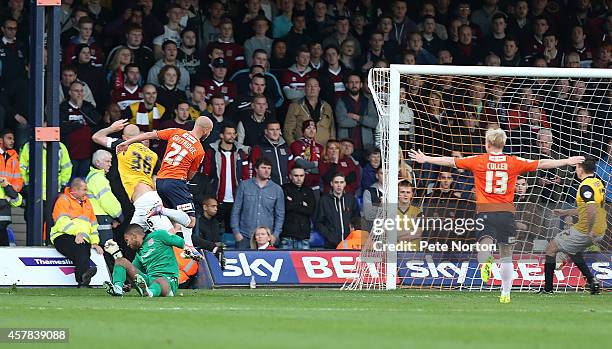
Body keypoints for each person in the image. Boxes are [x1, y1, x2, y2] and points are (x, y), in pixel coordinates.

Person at [409, 128, 584, 303]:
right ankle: (506, 293)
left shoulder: (479, 160)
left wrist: (426, 159)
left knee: (484, 248)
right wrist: (567, 160)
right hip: (506, 214)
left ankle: (486, 264)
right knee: (506, 254)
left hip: (486, 213)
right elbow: (542, 163)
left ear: (487, 144)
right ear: (504, 144)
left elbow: (452, 161)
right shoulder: (513, 162)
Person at [116, 117, 213, 258]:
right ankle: (164, 214)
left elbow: (150, 134)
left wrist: (127, 142)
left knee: (137, 232)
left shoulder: (176, 132)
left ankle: (187, 247)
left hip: (159, 182)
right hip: (175, 183)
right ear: (206, 131)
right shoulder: (199, 151)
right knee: (190, 220)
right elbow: (190, 176)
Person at [542, 158, 606, 295]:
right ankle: (591, 281)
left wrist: (589, 231)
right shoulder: (598, 182)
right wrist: (566, 212)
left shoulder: (585, 186)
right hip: (600, 228)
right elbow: (589, 207)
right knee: (573, 250)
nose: (576, 170)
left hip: (587, 230)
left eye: (577, 167)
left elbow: (592, 210)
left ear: (582, 168)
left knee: (551, 248)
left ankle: (547, 289)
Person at [103, 224, 183, 297]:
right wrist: (127, 285)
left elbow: (182, 242)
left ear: (134, 236)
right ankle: (118, 289)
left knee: (159, 280)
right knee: (121, 261)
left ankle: (150, 292)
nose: (127, 244)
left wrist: (190, 251)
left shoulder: (159, 235)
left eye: (127, 240)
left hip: (168, 281)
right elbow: (134, 273)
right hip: (149, 281)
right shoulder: (139, 254)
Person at [50, 178, 102, 288]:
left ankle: (83, 280)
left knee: (83, 249)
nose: (86, 192)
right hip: (62, 236)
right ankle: (83, 278)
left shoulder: (87, 203)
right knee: (81, 249)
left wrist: (95, 242)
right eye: (84, 189)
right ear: (74, 190)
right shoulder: (63, 200)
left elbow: (93, 225)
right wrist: (77, 233)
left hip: (82, 238)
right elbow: (62, 222)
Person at [231, 158, 285, 249]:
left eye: (269, 168)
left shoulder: (277, 189)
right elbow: (236, 210)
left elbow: (280, 215)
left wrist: (275, 235)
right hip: (245, 235)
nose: (266, 171)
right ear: (256, 169)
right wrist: (236, 232)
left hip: (266, 237)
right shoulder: (244, 185)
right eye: (263, 167)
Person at [85, 150, 122, 255]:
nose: (110, 164)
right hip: (101, 218)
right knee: (109, 251)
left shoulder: (93, 176)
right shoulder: (98, 178)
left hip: (97, 217)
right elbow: (107, 200)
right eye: (107, 161)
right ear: (97, 163)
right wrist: (118, 215)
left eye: (110, 161)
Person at [315, 172, 360, 249]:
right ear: (331, 184)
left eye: (341, 182)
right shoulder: (324, 200)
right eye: (336, 182)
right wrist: (329, 236)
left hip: (349, 244)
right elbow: (319, 222)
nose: (339, 185)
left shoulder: (351, 199)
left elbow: (357, 220)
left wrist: (352, 235)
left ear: (345, 184)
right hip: (330, 245)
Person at [281, 165, 315, 249]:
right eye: (296, 175)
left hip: (304, 237)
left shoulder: (309, 191)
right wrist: (301, 203)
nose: (299, 178)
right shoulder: (283, 189)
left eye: (301, 175)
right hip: (287, 236)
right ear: (290, 176)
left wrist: (293, 202)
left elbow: (310, 210)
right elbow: (285, 206)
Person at [250, 120, 293, 185]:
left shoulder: (286, 147)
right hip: (268, 187)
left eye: (277, 129)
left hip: (286, 186)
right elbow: (255, 168)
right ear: (266, 131)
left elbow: (291, 166)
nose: (275, 133)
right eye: (272, 130)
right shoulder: (258, 148)